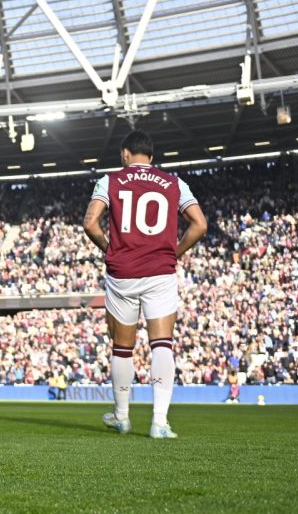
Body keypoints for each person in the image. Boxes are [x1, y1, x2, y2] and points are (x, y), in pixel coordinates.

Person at [83, 129, 207, 439]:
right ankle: (159, 423)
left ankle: (122, 417)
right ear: (151, 158)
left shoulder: (109, 181)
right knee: (162, 343)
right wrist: (174, 252)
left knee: (122, 347)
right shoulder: (174, 183)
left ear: (125, 154)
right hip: (160, 272)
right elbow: (200, 224)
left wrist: (109, 247)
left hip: (122, 272)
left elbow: (90, 223)